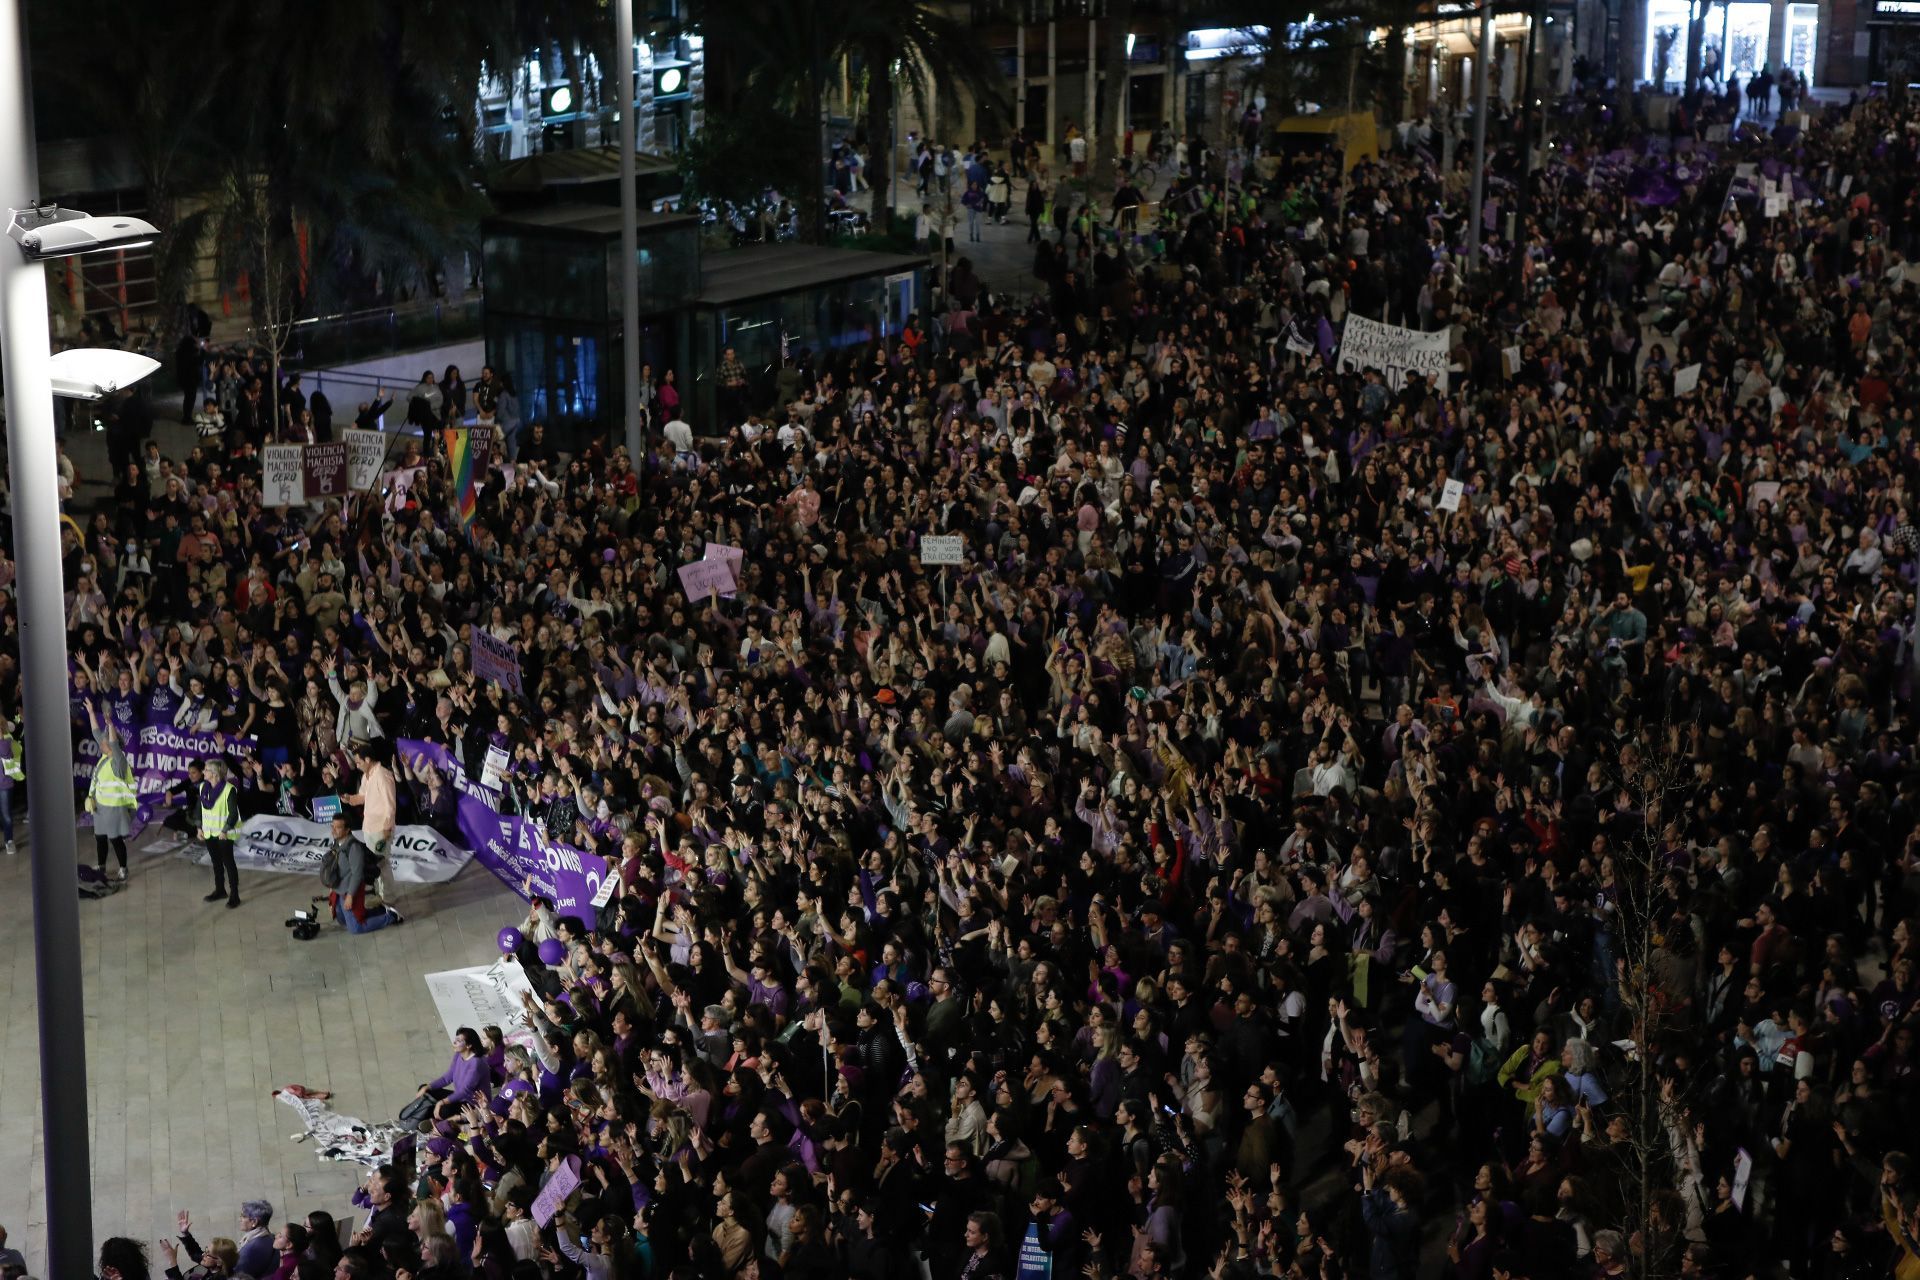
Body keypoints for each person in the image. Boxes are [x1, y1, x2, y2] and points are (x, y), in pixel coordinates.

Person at [321, 814, 403, 933]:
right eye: (332, 826)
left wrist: (350, 896)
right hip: (338, 889)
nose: (333, 830)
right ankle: (380, 910)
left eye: (337, 827)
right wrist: (331, 889)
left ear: (347, 829)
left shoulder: (354, 848)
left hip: (349, 890)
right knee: (342, 919)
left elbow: (357, 874)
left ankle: (391, 917)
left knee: (355, 928)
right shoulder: (337, 843)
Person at [84, 704, 138, 881]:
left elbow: (113, 743)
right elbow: (96, 732)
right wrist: (92, 712)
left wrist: (111, 725)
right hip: (100, 807)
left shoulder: (118, 761)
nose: (101, 743)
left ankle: (123, 868)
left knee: (115, 839)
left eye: (104, 742)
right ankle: (101, 865)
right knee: (100, 838)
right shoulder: (104, 757)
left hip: (114, 808)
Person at [199, 759, 243, 908]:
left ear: (214, 773)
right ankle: (220, 890)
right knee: (216, 863)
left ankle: (235, 895)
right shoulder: (202, 788)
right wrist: (199, 827)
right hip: (209, 832)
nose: (203, 772)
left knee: (228, 863)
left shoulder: (229, 790)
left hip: (224, 833)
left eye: (206, 770)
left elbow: (233, 814)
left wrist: (225, 830)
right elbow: (199, 810)